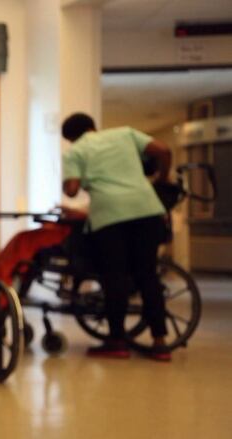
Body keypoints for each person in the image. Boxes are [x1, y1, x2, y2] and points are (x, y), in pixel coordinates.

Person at [61, 112, 172, 361]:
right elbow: (163, 150)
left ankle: (117, 341)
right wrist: (160, 180)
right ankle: (160, 342)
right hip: (147, 210)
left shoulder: (75, 151)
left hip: (110, 217)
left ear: (70, 137)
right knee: (147, 275)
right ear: (93, 126)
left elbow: (71, 189)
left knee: (115, 276)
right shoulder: (124, 133)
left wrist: (70, 184)